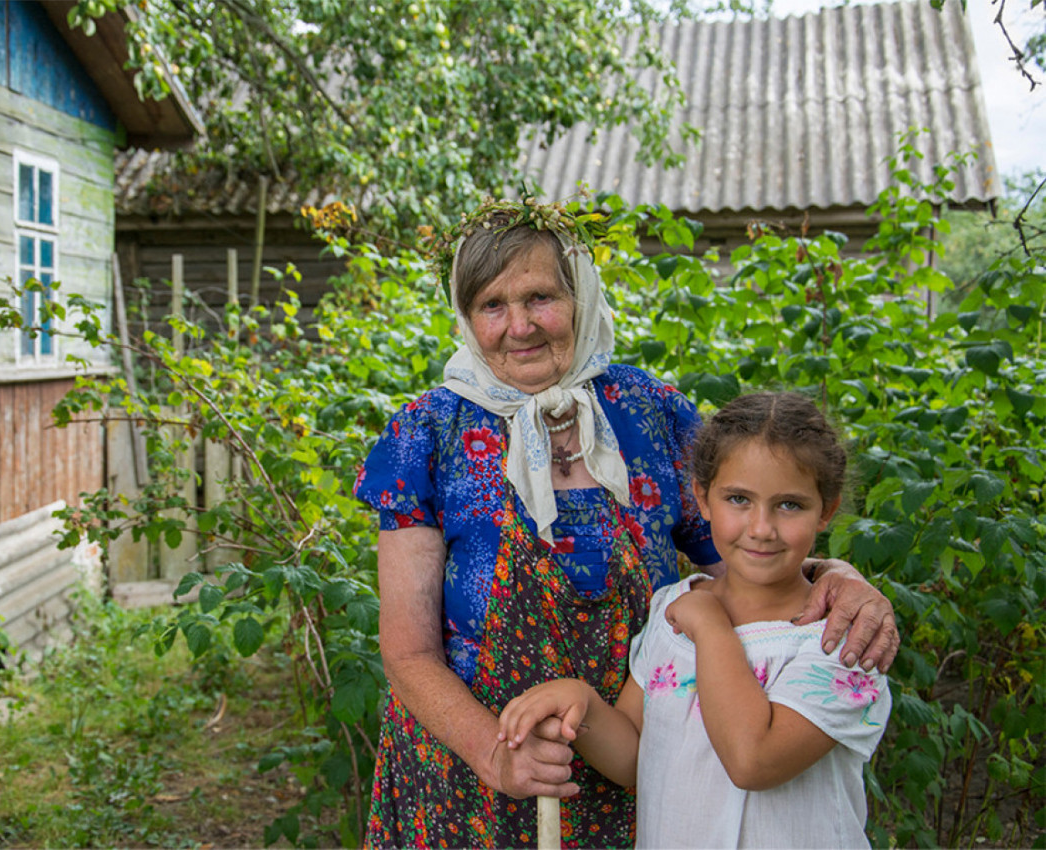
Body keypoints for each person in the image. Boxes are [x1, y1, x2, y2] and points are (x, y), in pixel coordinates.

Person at [354, 198, 899, 848]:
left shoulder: (649, 414)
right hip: (466, 774)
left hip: (632, 763)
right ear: (466, 318)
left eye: (539, 297)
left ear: (580, 295)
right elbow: (408, 651)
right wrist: (492, 753)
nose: (519, 325)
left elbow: (746, 561)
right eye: (491, 305)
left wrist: (833, 576)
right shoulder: (426, 436)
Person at [498, 392, 891, 848]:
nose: (761, 527)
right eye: (739, 499)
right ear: (702, 499)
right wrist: (580, 702)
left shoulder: (844, 640)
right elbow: (635, 758)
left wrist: (710, 628)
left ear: (826, 510)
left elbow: (753, 762)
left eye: (789, 505)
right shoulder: (674, 608)